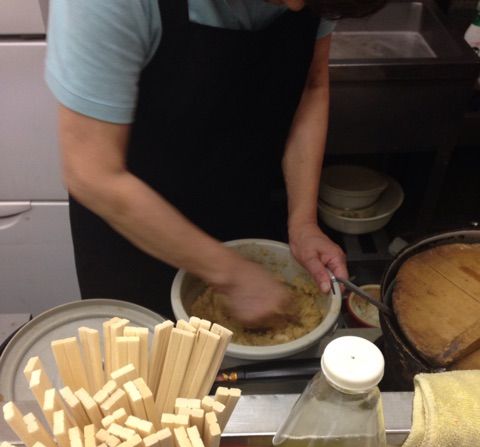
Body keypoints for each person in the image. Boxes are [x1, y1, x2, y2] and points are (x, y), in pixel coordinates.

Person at [46, 0, 385, 325]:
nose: (296, 8)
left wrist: (302, 223)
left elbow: (312, 85)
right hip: (131, 226)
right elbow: (91, 173)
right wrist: (232, 275)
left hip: (244, 202)